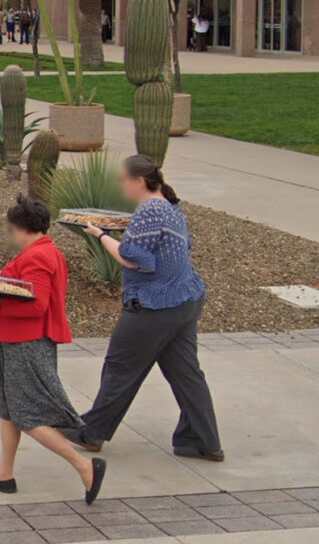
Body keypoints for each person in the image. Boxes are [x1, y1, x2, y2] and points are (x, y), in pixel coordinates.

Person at [65, 155, 224, 462]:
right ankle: (203, 442)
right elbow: (173, 249)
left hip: (155, 306)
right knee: (186, 374)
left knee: (120, 368)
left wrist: (100, 234)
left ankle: (92, 433)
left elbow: (135, 259)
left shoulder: (150, 209)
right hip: (185, 300)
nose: (120, 184)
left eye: (123, 179)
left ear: (139, 181)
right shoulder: (169, 205)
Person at [0, 194, 108, 504]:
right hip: (15, 340)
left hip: (26, 342)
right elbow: (16, 290)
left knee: (27, 415)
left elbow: (36, 305)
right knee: (8, 408)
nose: (11, 235)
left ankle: (85, 466)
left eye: (12, 229)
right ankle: (5, 474)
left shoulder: (38, 257)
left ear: (22, 228)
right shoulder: (42, 251)